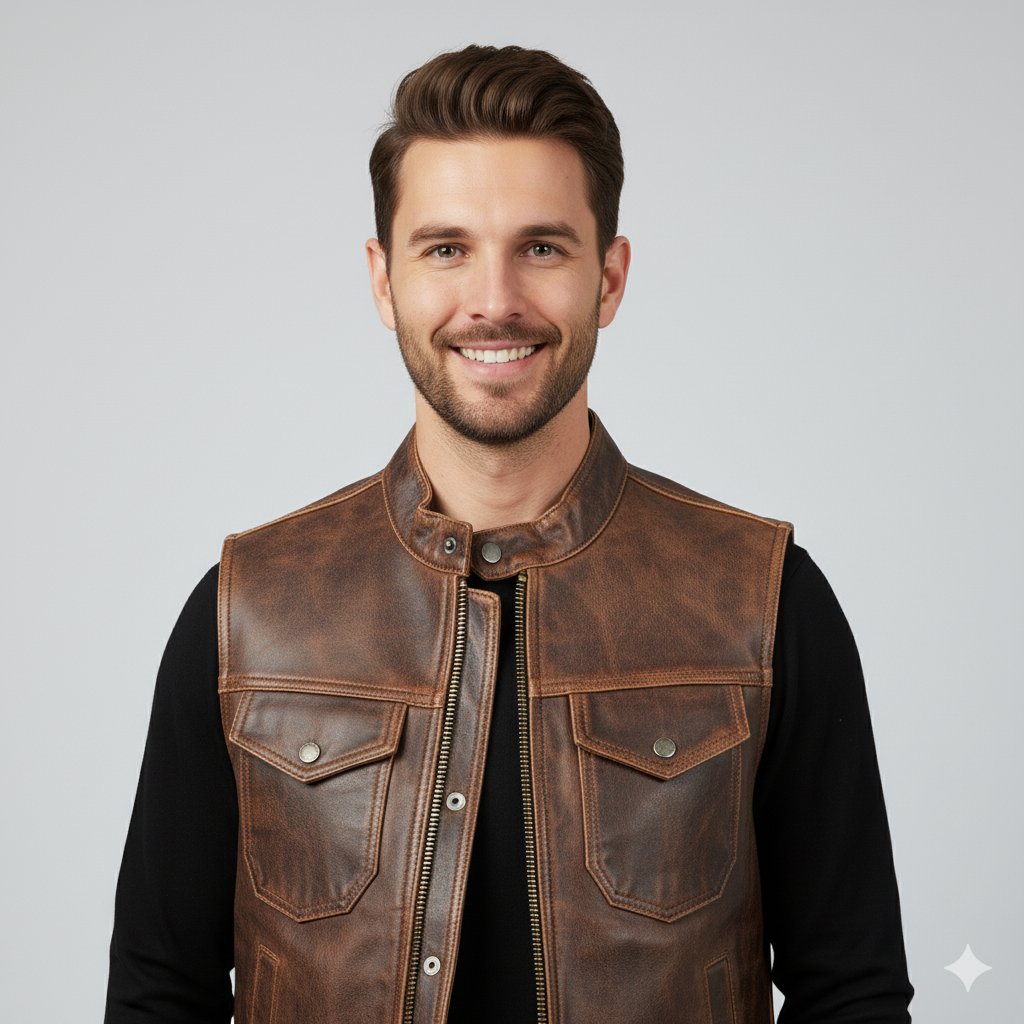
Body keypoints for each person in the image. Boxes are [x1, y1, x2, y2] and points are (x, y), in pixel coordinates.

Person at [105, 44, 914, 1024]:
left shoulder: (762, 599)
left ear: (609, 277)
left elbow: (851, 994)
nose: (494, 298)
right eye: (445, 247)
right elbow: (158, 996)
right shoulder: (249, 612)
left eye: (541, 246)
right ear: (383, 279)